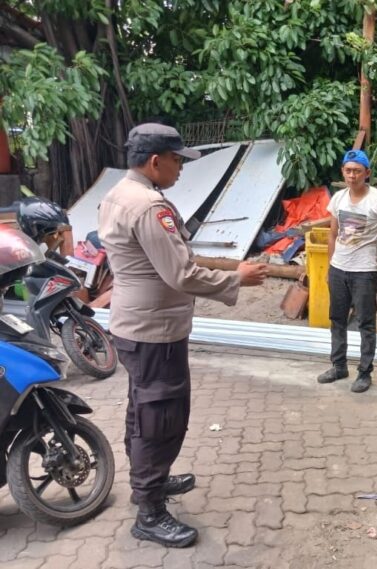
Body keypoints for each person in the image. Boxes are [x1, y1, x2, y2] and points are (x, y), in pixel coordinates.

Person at [98, 123, 269, 548]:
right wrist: (237, 280)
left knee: (144, 408)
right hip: (154, 332)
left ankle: (148, 483)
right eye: (177, 161)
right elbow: (181, 273)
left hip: (135, 326)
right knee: (162, 418)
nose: (180, 169)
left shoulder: (116, 194)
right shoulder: (148, 207)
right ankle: (150, 512)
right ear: (155, 162)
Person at [317, 149, 377, 393]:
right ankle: (339, 365)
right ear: (343, 171)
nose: (352, 175)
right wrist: (331, 266)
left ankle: (364, 372)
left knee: (365, 323)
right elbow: (333, 233)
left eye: (357, 171)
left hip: (364, 271)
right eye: (348, 170)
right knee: (337, 319)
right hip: (339, 269)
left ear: (367, 173)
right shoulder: (339, 198)